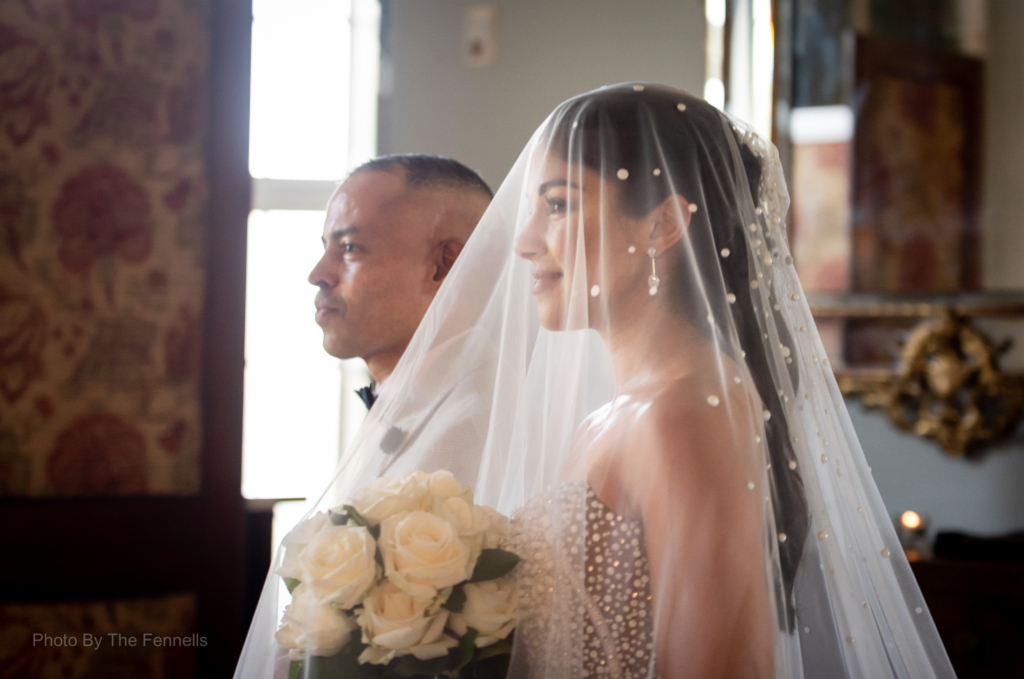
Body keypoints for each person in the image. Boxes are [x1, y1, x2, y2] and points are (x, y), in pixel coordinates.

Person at [236, 86, 956, 679]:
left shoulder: (691, 410)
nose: (523, 243)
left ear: (664, 225)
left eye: (558, 205)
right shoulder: (611, 416)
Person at [307, 154, 494, 483]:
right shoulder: (410, 403)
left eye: (350, 247)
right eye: (325, 248)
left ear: (443, 265)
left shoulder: (473, 427)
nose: (318, 274)